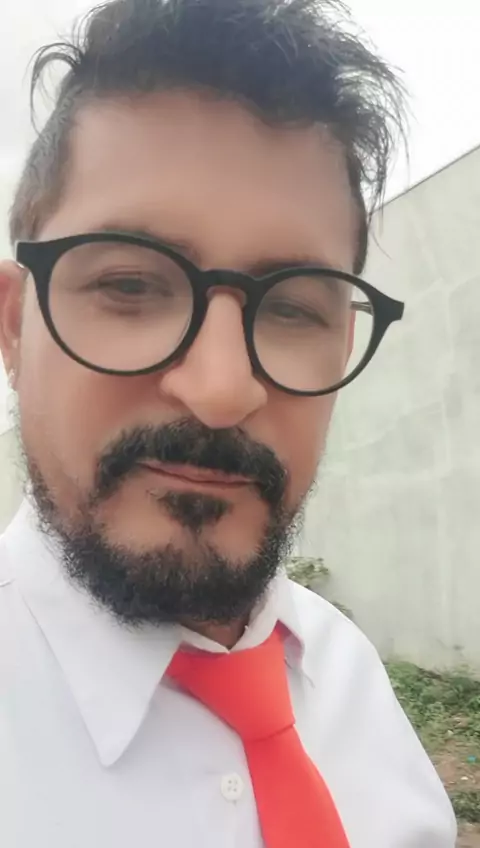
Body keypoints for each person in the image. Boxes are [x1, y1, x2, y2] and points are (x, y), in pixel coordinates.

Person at [0, 0, 456, 845]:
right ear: (15, 326)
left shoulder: (349, 674)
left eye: (291, 308)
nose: (220, 390)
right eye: (131, 287)